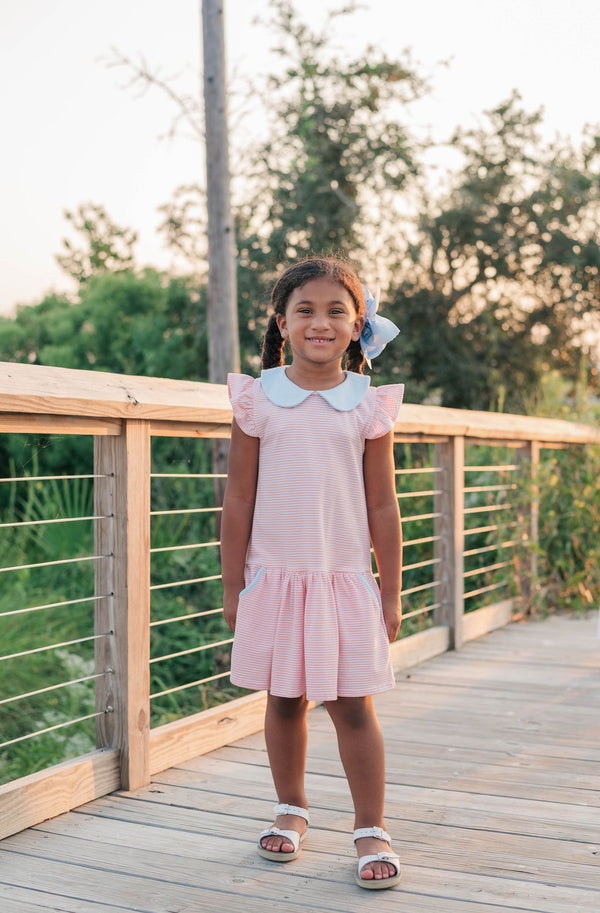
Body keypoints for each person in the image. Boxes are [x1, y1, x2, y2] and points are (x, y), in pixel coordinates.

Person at [220, 256, 404, 889]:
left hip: (344, 578)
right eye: (305, 310)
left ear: (357, 326)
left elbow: (382, 503)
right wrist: (232, 585)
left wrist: (391, 590)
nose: (319, 322)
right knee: (284, 697)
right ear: (281, 322)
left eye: (335, 311)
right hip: (275, 576)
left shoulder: (366, 406)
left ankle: (371, 825)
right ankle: (291, 807)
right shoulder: (257, 398)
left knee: (353, 703)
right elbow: (239, 498)